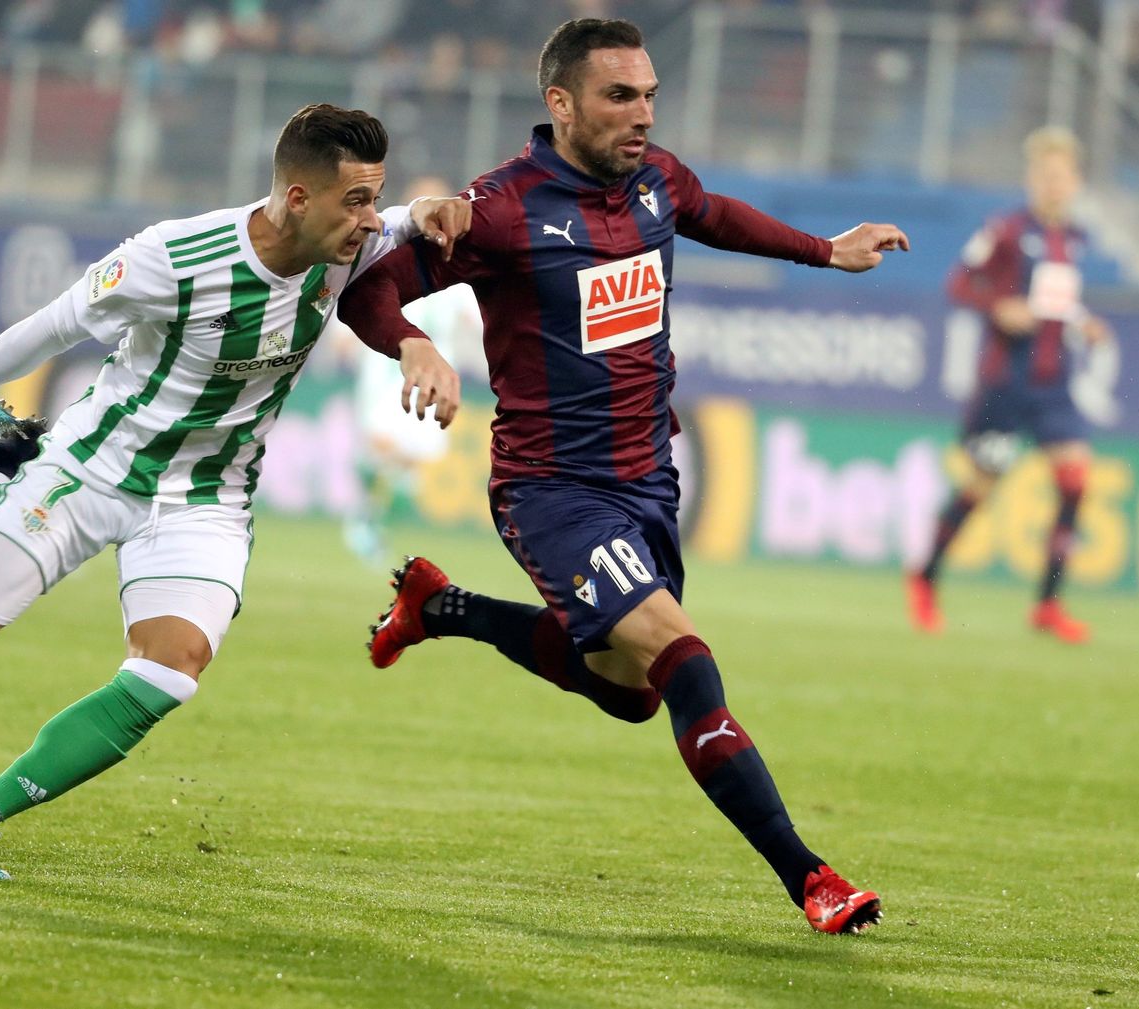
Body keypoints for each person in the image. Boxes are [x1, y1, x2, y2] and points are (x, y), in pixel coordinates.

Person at [342, 18, 908, 935]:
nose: (643, 113)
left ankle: (442, 607)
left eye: (649, 95)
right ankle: (811, 875)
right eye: (619, 97)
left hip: (648, 478)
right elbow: (368, 291)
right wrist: (411, 342)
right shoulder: (500, 209)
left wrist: (825, 249)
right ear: (561, 104)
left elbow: (712, 212)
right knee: (685, 660)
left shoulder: (656, 180)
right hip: (551, 490)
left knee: (628, 691)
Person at [0, 104, 470, 879]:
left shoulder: (344, 243)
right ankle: (3, 468)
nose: (371, 220)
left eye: (377, 199)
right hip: (94, 468)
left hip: (207, 497)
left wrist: (421, 212)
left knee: (169, 669)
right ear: (298, 198)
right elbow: (54, 325)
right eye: (357, 201)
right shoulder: (174, 256)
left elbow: (402, 224)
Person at [906, 126, 1112, 644]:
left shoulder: (1076, 239)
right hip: (1006, 382)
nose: (1053, 185)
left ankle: (1047, 604)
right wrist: (998, 306)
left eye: (1062, 176)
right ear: (1031, 179)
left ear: (1075, 182)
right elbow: (959, 282)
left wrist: (1083, 323)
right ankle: (925, 577)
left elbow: (1055, 301)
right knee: (981, 487)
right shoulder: (1005, 231)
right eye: (1045, 175)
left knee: (1075, 479)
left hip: (1054, 381)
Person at [344, 174, 481, 567]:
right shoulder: (381, 261)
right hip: (386, 374)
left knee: (413, 460)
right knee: (385, 445)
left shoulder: (456, 272)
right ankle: (364, 521)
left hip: (433, 379)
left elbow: (478, 320)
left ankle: (370, 518)